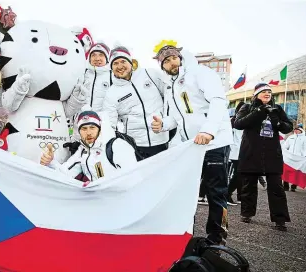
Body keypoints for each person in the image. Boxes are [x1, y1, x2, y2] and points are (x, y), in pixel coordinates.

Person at [151, 41, 233, 245]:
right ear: (161, 66)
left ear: (180, 57)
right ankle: (184, 233)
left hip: (214, 142)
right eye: (166, 61)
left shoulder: (200, 73)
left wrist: (209, 130)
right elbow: (178, 118)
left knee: (216, 192)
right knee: (187, 190)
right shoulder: (170, 86)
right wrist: (163, 125)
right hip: (191, 146)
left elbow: (217, 101)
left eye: (173, 58)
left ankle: (217, 238)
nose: (171, 63)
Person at [233, 82, 292, 231]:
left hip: (272, 154)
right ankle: (247, 213)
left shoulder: (277, 109)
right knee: (249, 186)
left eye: (269, 92)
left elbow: (288, 127)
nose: (267, 94)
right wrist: (258, 111)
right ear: (256, 94)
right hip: (251, 152)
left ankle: (280, 220)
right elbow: (238, 123)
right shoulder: (246, 107)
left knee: (276, 187)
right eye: (264, 91)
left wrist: (276, 120)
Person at [102, 45, 169, 160]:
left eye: (123, 61)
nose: (120, 66)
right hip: (136, 145)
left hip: (162, 139)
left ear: (131, 62)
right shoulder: (111, 93)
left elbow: (171, 97)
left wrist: (166, 122)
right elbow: (110, 124)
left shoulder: (150, 74)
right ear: (111, 68)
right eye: (115, 63)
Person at [40, 110, 137, 182]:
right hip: (99, 202)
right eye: (84, 129)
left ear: (99, 128)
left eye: (92, 127)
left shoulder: (117, 145)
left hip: (119, 201)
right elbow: (65, 173)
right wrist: (50, 162)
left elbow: (132, 178)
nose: (88, 133)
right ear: (79, 132)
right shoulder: (83, 151)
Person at [83, 42, 113, 112]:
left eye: (101, 55)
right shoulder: (84, 73)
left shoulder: (113, 76)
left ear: (107, 58)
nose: (97, 58)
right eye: (93, 55)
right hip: (83, 118)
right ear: (89, 58)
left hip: (103, 119)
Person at [282, 126, 305, 192]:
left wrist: (303, 156)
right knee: (286, 172)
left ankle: (293, 187)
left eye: (297, 129)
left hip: (298, 159)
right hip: (289, 158)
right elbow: (285, 146)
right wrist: (285, 152)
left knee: (296, 173)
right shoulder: (291, 137)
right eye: (295, 129)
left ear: (301, 130)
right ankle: (285, 186)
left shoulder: (304, 138)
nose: (296, 130)